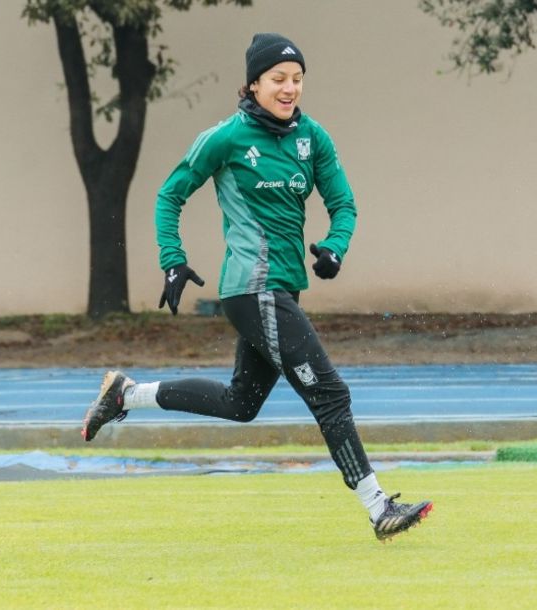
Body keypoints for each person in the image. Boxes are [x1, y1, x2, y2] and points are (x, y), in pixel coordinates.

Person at [80, 33, 432, 541]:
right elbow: (168, 195)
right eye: (278, 79)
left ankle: (127, 395)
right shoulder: (225, 137)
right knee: (331, 393)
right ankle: (379, 509)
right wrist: (173, 260)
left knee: (240, 404)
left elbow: (345, 205)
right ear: (253, 83)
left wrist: (335, 245)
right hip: (251, 288)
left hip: (281, 291)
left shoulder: (315, 138)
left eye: (297, 80)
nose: (290, 89)